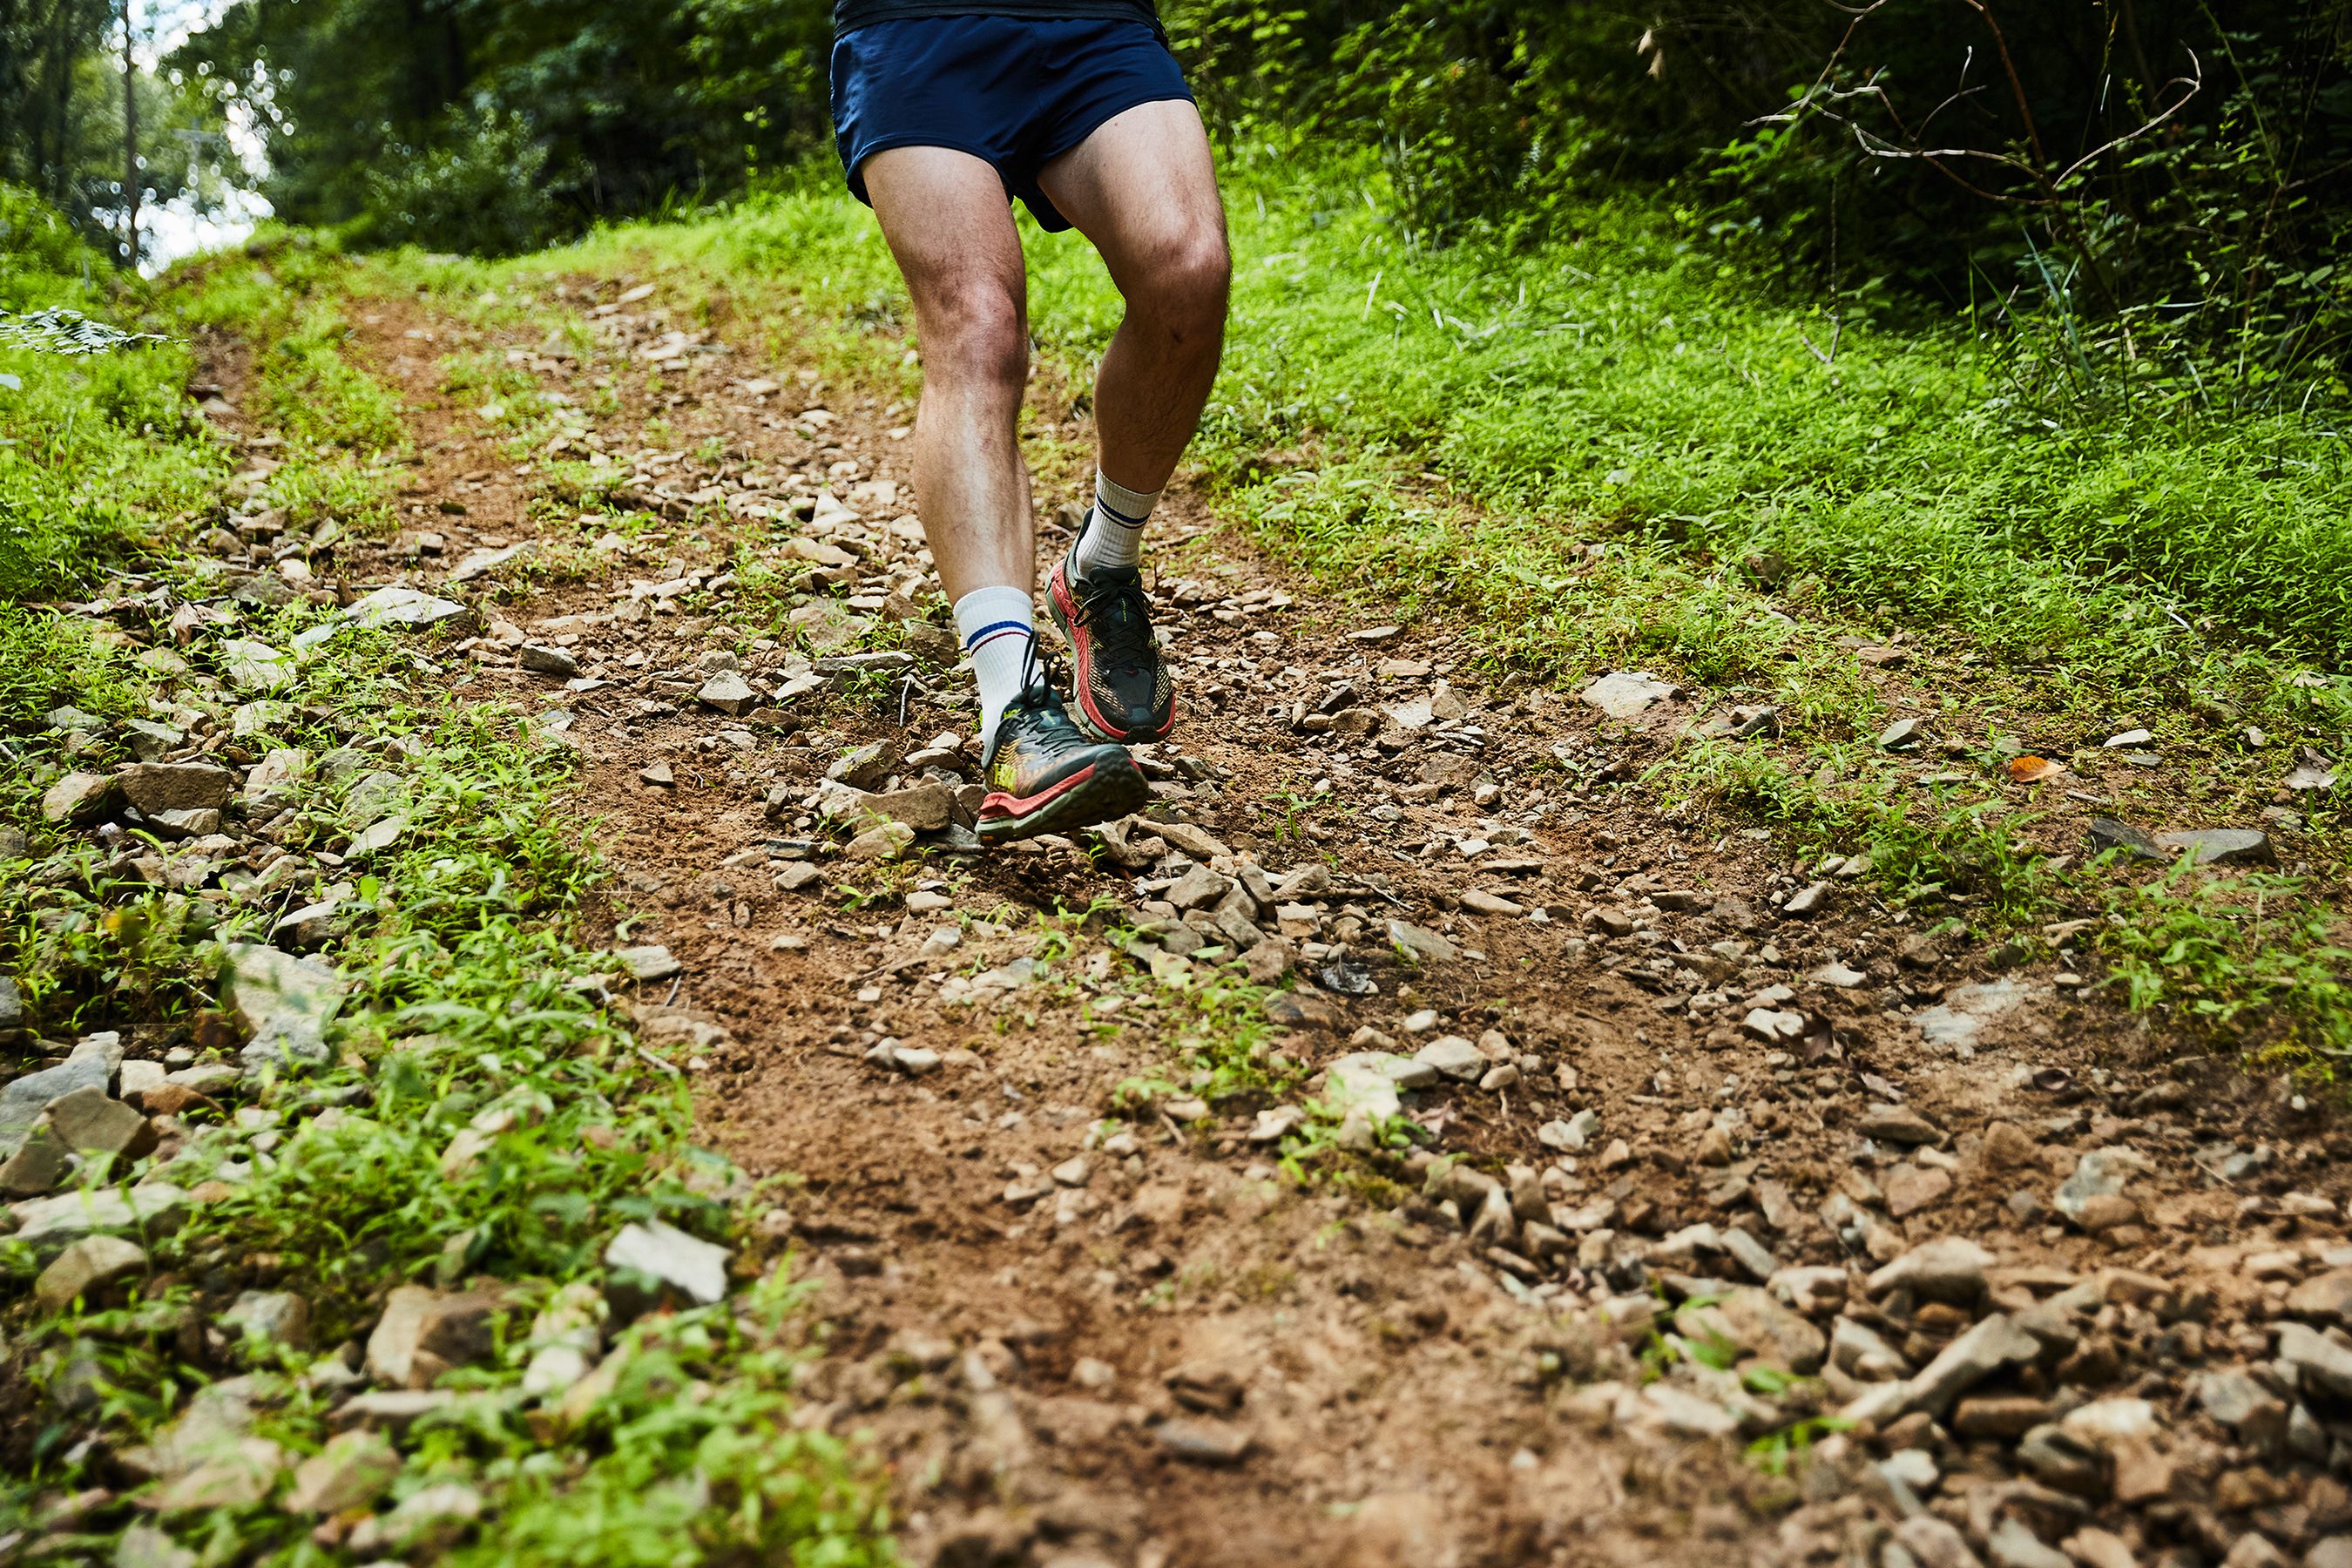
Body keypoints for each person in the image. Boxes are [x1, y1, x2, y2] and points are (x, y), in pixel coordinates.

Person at [828, 0, 1231, 842]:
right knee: (977, 326)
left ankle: (1102, 567)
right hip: (915, 24)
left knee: (1188, 277)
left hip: (1095, 20)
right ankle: (1012, 716)